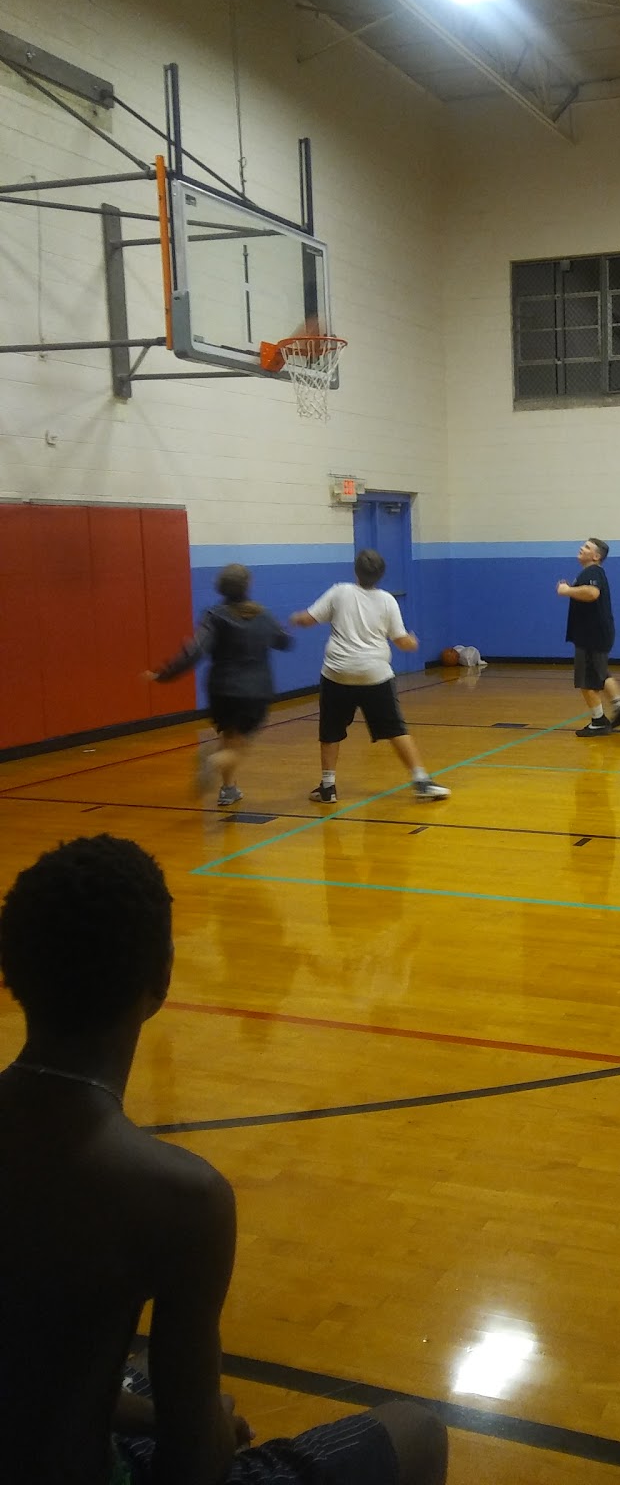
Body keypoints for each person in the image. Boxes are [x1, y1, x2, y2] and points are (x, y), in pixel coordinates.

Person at [0, 834, 448, 1485]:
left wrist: (150, 1415)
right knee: (419, 1432)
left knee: (114, 1370)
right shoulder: (180, 1197)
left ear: (10, 972)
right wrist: (207, 1417)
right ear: (162, 977)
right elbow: (195, 1467)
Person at [291, 550, 448, 803]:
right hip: (375, 674)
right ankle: (421, 780)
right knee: (395, 729)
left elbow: (308, 619)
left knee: (330, 730)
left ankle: (328, 787)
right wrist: (413, 642)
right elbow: (401, 641)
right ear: (381, 575)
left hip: (337, 673)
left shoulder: (339, 591)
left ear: (356, 571)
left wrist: (296, 618)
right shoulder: (387, 600)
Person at [146, 563, 292, 808]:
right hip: (254, 691)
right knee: (238, 747)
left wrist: (164, 674)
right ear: (248, 586)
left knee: (229, 735)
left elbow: (194, 652)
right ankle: (213, 761)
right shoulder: (263, 615)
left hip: (221, 690)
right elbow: (285, 642)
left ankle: (228, 789)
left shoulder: (214, 615)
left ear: (221, 588)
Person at [556, 537, 620, 738]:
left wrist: (566, 591)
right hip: (598, 634)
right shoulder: (592, 572)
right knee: (600, 673)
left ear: (596, 556)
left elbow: (592, 593)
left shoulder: (592, 572)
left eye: (587, 547)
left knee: (586, 680)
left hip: (591, 635)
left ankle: (598, 721)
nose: (582, 548)